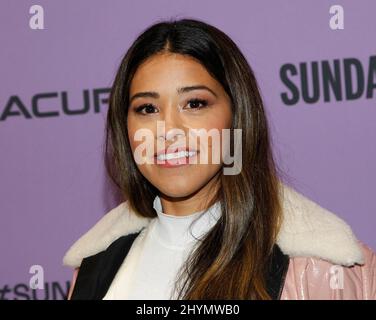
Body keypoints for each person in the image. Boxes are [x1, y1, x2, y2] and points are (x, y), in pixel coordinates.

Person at [63, 18, 375, 300]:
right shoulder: (94, 266)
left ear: (236, 117)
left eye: (194, 103)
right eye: (147, 108)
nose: (168, 130)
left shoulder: (318, 269)